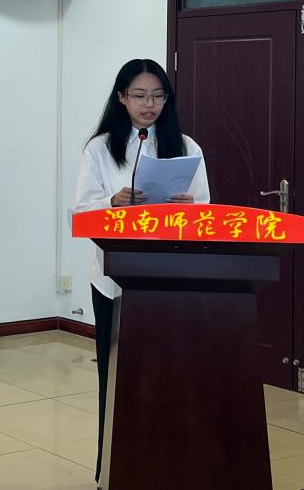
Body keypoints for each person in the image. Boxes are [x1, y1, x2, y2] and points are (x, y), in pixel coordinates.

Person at [73, 58, 210, 485]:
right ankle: (110, 471)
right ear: (121, 98)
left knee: (170, 376)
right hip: (114, 281)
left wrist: (189, 207)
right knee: (116, 379)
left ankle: (168, 465)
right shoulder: (100, 149)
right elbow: (82, 214)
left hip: (172, 278)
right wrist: (112, 203)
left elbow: (205, 210)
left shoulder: (186, 146)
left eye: (157, 96)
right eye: (139, 95)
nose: (149, 104)